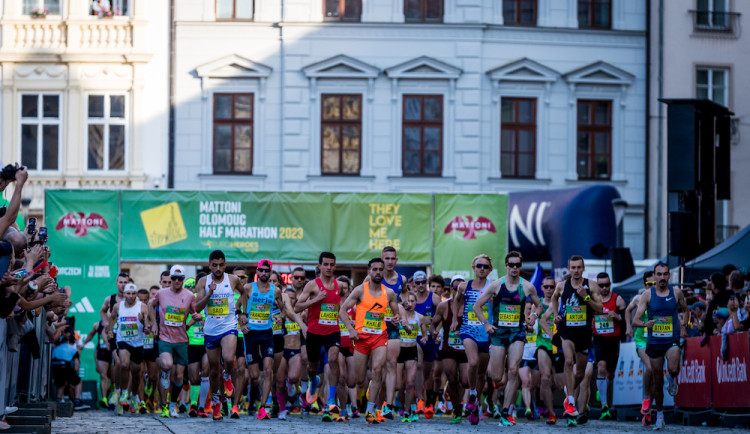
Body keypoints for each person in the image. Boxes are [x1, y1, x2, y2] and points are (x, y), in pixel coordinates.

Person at [474, 251, 542, 427]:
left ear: (521, 267)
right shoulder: (496, 285)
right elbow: (477, 306)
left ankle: (506, 412)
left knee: (513, 370)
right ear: (506, 266)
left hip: (517, 332)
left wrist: (534, 315)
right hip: (498, 332)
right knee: (497, 376)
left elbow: (539, 305)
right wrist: (486, 324)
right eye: (511, 264)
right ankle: (500, 393)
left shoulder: (527, 287)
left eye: (517, 265)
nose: (514, 268)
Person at [541, 255, 604, 427]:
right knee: (568, 361)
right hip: (566, 331)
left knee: (580, 374)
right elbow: (554, 298)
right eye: (573, 267)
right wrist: (556, 315)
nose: (576, 270)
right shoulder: (562, 286)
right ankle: (570, 400)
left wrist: (586, 297)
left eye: (579, 267)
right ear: (568, 269)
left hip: (584, 334)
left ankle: (567, 393)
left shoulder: (591, 286)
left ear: (583, 269)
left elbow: (600, 309)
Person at [338, 257, 400, 424]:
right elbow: (342, 311)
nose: (378, 272)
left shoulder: (390, 293)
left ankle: (370, 410)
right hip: (361, 339)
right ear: (369, 271)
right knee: (359, 379)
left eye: (381, 269)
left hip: (380, 337)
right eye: (375, 269)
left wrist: (396, 319)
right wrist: (351, 330)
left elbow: (396, 313)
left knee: (378, 370)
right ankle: (369, 391)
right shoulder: (360, 290)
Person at [236, 259, 295, 421]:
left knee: (268, 371)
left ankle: (263, 407)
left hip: (267, 333)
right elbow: (237, 307)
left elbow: (283, 311)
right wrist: (242, 322)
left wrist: (279, 319)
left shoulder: (275, 291)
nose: (263, 273)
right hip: (251, 335)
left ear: (270, 272)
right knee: (255, 375)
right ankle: (247, 401)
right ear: (257, 272)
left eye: (266, 271)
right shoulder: (248, 288)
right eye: (260, 270)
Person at [633, 262, 688, 431]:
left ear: (669, 276)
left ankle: (672, 379)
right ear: (654, 276)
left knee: (673, 369)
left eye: (665, 274)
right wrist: (645, 324)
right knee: (657, 381)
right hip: (655, 342)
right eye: (659, 274)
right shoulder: (647, 295)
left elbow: (686, 310)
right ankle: (660, 416)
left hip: (671, 340)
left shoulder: (676, 292)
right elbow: (636, 320)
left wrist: (684, 324)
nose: (662, 277)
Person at [194, 251, 245, 420]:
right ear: (209, 265)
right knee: (213, 370)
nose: (218, 268)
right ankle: (216, 403)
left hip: (229, 326)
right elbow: (197, 308)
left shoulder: (233, 280)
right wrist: (209, 294)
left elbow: (244, 293)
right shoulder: (203, 282)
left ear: (225, 265)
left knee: (229, 359)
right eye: (214, 265)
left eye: (221, 265)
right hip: (211, 330)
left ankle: (228, 376)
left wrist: (240, 311)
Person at [294, 252, 343, 422]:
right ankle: (313, 382)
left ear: (335, 266)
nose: (329, 268)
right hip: (314, 332)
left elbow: (341, 308)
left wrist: (350, 326)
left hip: (333, 331)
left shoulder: (340, 286)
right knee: (312, 368)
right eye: (326, 264)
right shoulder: (312, 286)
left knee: (334, 358)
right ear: (319, 266)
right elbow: (297, 308)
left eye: (332, 265)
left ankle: (330, 401)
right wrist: (315, 300)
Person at [451, 254, 493, 425]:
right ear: (473, 268)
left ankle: (475, 403)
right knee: (473, 363)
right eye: (479, 265)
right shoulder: (463, 286)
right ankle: (473, 394)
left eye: (485, 266)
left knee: (482, 373)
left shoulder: (494, 287)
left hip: (486, 332)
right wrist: (455, 319)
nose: (482, 268)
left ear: (489, 270)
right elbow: (455, 301)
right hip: (468, 330)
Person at [151, 265, 196, 418]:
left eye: (180, 278)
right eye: (174, 278)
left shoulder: (190, 295)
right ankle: (164, 403)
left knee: (178, 376)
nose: (177, 281)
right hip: (165, 338)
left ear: (183, 279)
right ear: (170, 279)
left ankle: (171, 405)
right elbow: (151, 306)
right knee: (166, 365)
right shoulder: (161, 293)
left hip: (182, 340)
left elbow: (195, 313)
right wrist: (155, 324)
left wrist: (192, 322)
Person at [108, 283, 153, 415]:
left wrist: (145, 324)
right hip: (123, 341)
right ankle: (123, 392)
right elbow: (112, 317)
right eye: (128, 293)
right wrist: (110, 330)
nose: (131, 296)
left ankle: (133, 396)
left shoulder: (142, 306)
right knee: (124, 363)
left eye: (134, 294)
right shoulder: (118, 306)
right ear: (124, 294)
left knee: (136, 373)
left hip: (138, 343)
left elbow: (148, 323)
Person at [376, 246, 407, 420]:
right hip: (375, 326)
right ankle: (375, 402)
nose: (389, 261)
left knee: (392, 363)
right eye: (386, 258)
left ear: (396, 260)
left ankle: (388, 404)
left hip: (393, 326)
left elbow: (404, 294)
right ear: (382, 259)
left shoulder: (401, 279)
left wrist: (405, 305)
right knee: (377, 367)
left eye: (392, 258)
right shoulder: (373, 277)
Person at [590, 272, 625, 421]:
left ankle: (602, 387)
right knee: (601, 367)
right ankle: (604, 406)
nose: (604, 288)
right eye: (601, 285)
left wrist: (617, 317)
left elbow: (625, 319)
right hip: (598, 339)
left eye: (607, 285)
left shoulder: (618, 300)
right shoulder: (593, 301)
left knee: (610, 373)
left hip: (613, 340)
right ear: (597, 286)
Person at [431, 290, 468, 424]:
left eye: (462, 289)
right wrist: (434, 332)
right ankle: (457, 408)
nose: (459, 292)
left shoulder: (470, 305)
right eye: (456, 288)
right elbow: (433, 324)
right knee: (452, 378)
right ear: (452, 290)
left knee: (465, 381)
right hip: (448, 347)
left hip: (465, 348)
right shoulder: (444, 306)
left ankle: (458, 400)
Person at [625, 270, 655, 425]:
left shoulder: (661, 298)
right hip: (641, 338)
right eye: (649, 284)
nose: (652, 287)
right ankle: (646, 398)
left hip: (657, 339)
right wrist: (628, 327)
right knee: (649, 368)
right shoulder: (638, 298)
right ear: (645, 285)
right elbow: (627, 310)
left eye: (654, 284)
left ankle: (648, 410)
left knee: (656, 375)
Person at [397, 291, 428, 423]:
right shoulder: (398, 316)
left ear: (416, 303)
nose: (409, 304)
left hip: (412, 350)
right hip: (398, 350)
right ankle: (403, 406)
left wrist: (425, 338)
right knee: (399, 385)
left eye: (412, 301)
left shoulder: (420, 317)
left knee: (410, 383)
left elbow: (425, 334)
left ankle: (408, 411)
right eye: (407, 301)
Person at [413, 271, 440, 417]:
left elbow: (444, 313)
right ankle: (419, 400)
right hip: (415, 338)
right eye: (418, 283)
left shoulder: (434, 297)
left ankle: (428, 399)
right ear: (414, 284)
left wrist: (437, 328)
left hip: (430, 339)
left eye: (423, 282)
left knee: (427, 372)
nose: (421, 285)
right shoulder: (411, 299)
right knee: (417, 365)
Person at [277, 288, 307, 420]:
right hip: (281, 350)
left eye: (292, 298)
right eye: (287, 297)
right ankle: (282, 409)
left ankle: (292, 387)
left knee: (294, 377)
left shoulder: (301, 314)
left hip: (295, 349)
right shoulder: (278, 313)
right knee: (280, 381)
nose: (289, 300)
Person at [535, 276, 558, 425]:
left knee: (559, 382)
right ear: (542, 288)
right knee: (545, 378)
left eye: (551, 287)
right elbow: (530, 317)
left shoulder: (560, 303)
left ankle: (571, 406)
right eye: (546, 287)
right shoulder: (538, 304)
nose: (549, 289)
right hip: (543, 343)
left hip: (560, 346)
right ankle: (551, 413)